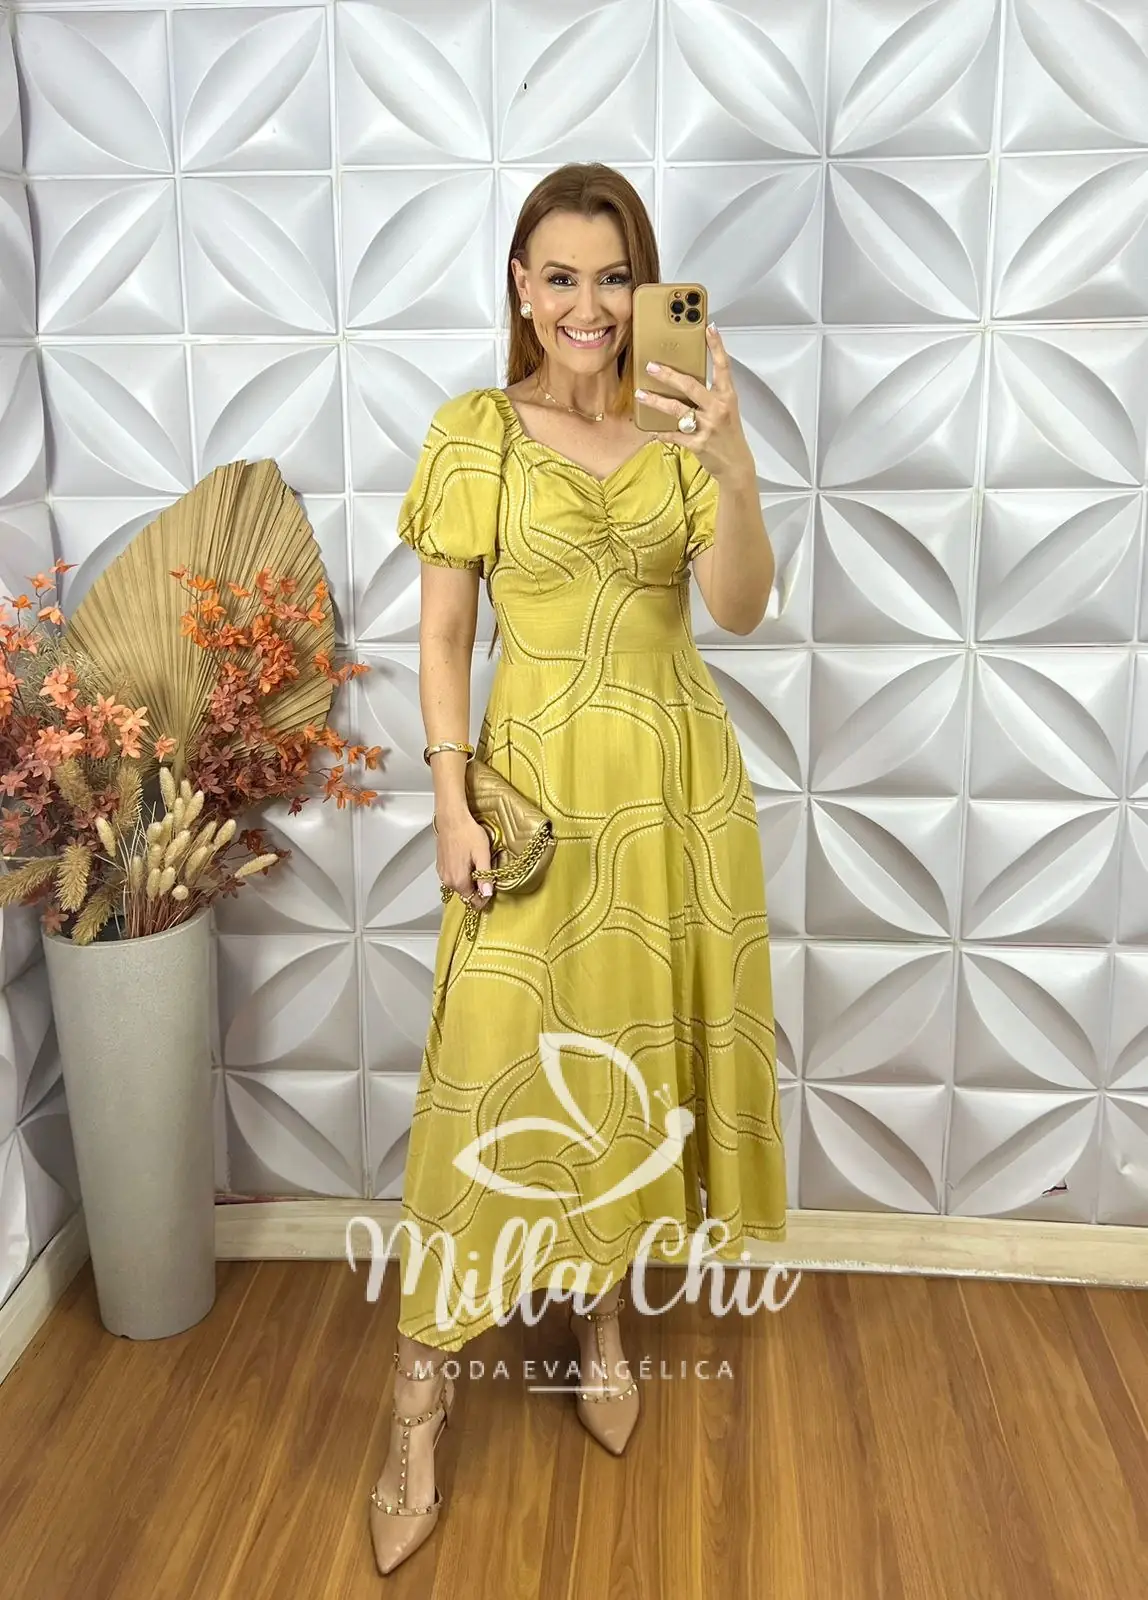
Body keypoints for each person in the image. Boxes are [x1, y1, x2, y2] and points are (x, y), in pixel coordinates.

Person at [368, 162, 787, 1576]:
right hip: (534, 797)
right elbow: (441, 637)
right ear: (520, 286)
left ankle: (601, 1320)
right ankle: (416, 1409)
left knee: (628, 1065)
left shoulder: (682, 433)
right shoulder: (476, 432)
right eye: (560, 276)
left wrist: (733, 461)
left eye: (615, 278)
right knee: (483, 1076)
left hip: (675, 801)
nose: (590, 306)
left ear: (647, 289)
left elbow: (738, 607)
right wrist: (448, 799)